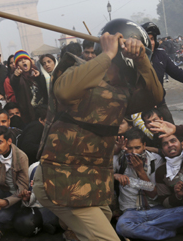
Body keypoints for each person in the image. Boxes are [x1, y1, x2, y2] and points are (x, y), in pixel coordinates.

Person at [33, 18, 164, 241]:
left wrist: (142, 60)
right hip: (62, 179)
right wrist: (107, 55)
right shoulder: (78, 71)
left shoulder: (122, 92)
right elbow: (64, 92)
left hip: (91, 182)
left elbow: (155, 97)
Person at [114, 128, 183, 240]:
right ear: (125, 147)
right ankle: (172, 231)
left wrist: (140, 172)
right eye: (129, 148)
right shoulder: (119, 159)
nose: (134, 152)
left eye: (137, 147)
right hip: (132, 211)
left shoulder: (156, 160)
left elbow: (154, 195)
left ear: (144, 145)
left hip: (156, 209)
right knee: (122, 226)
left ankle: (143, 230)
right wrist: (115, 175)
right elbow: (102, 172)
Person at [10, 50, 48, 124]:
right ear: (17, 65)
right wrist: (16, 76)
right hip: (30, 115)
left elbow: (45, 90)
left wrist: (39, 77)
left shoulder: (36, 73)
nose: (24, 62)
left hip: (44, 111)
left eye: (25, 59)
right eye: (20, 61)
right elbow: (14, 82)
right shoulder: (18, 77)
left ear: (30, 61)